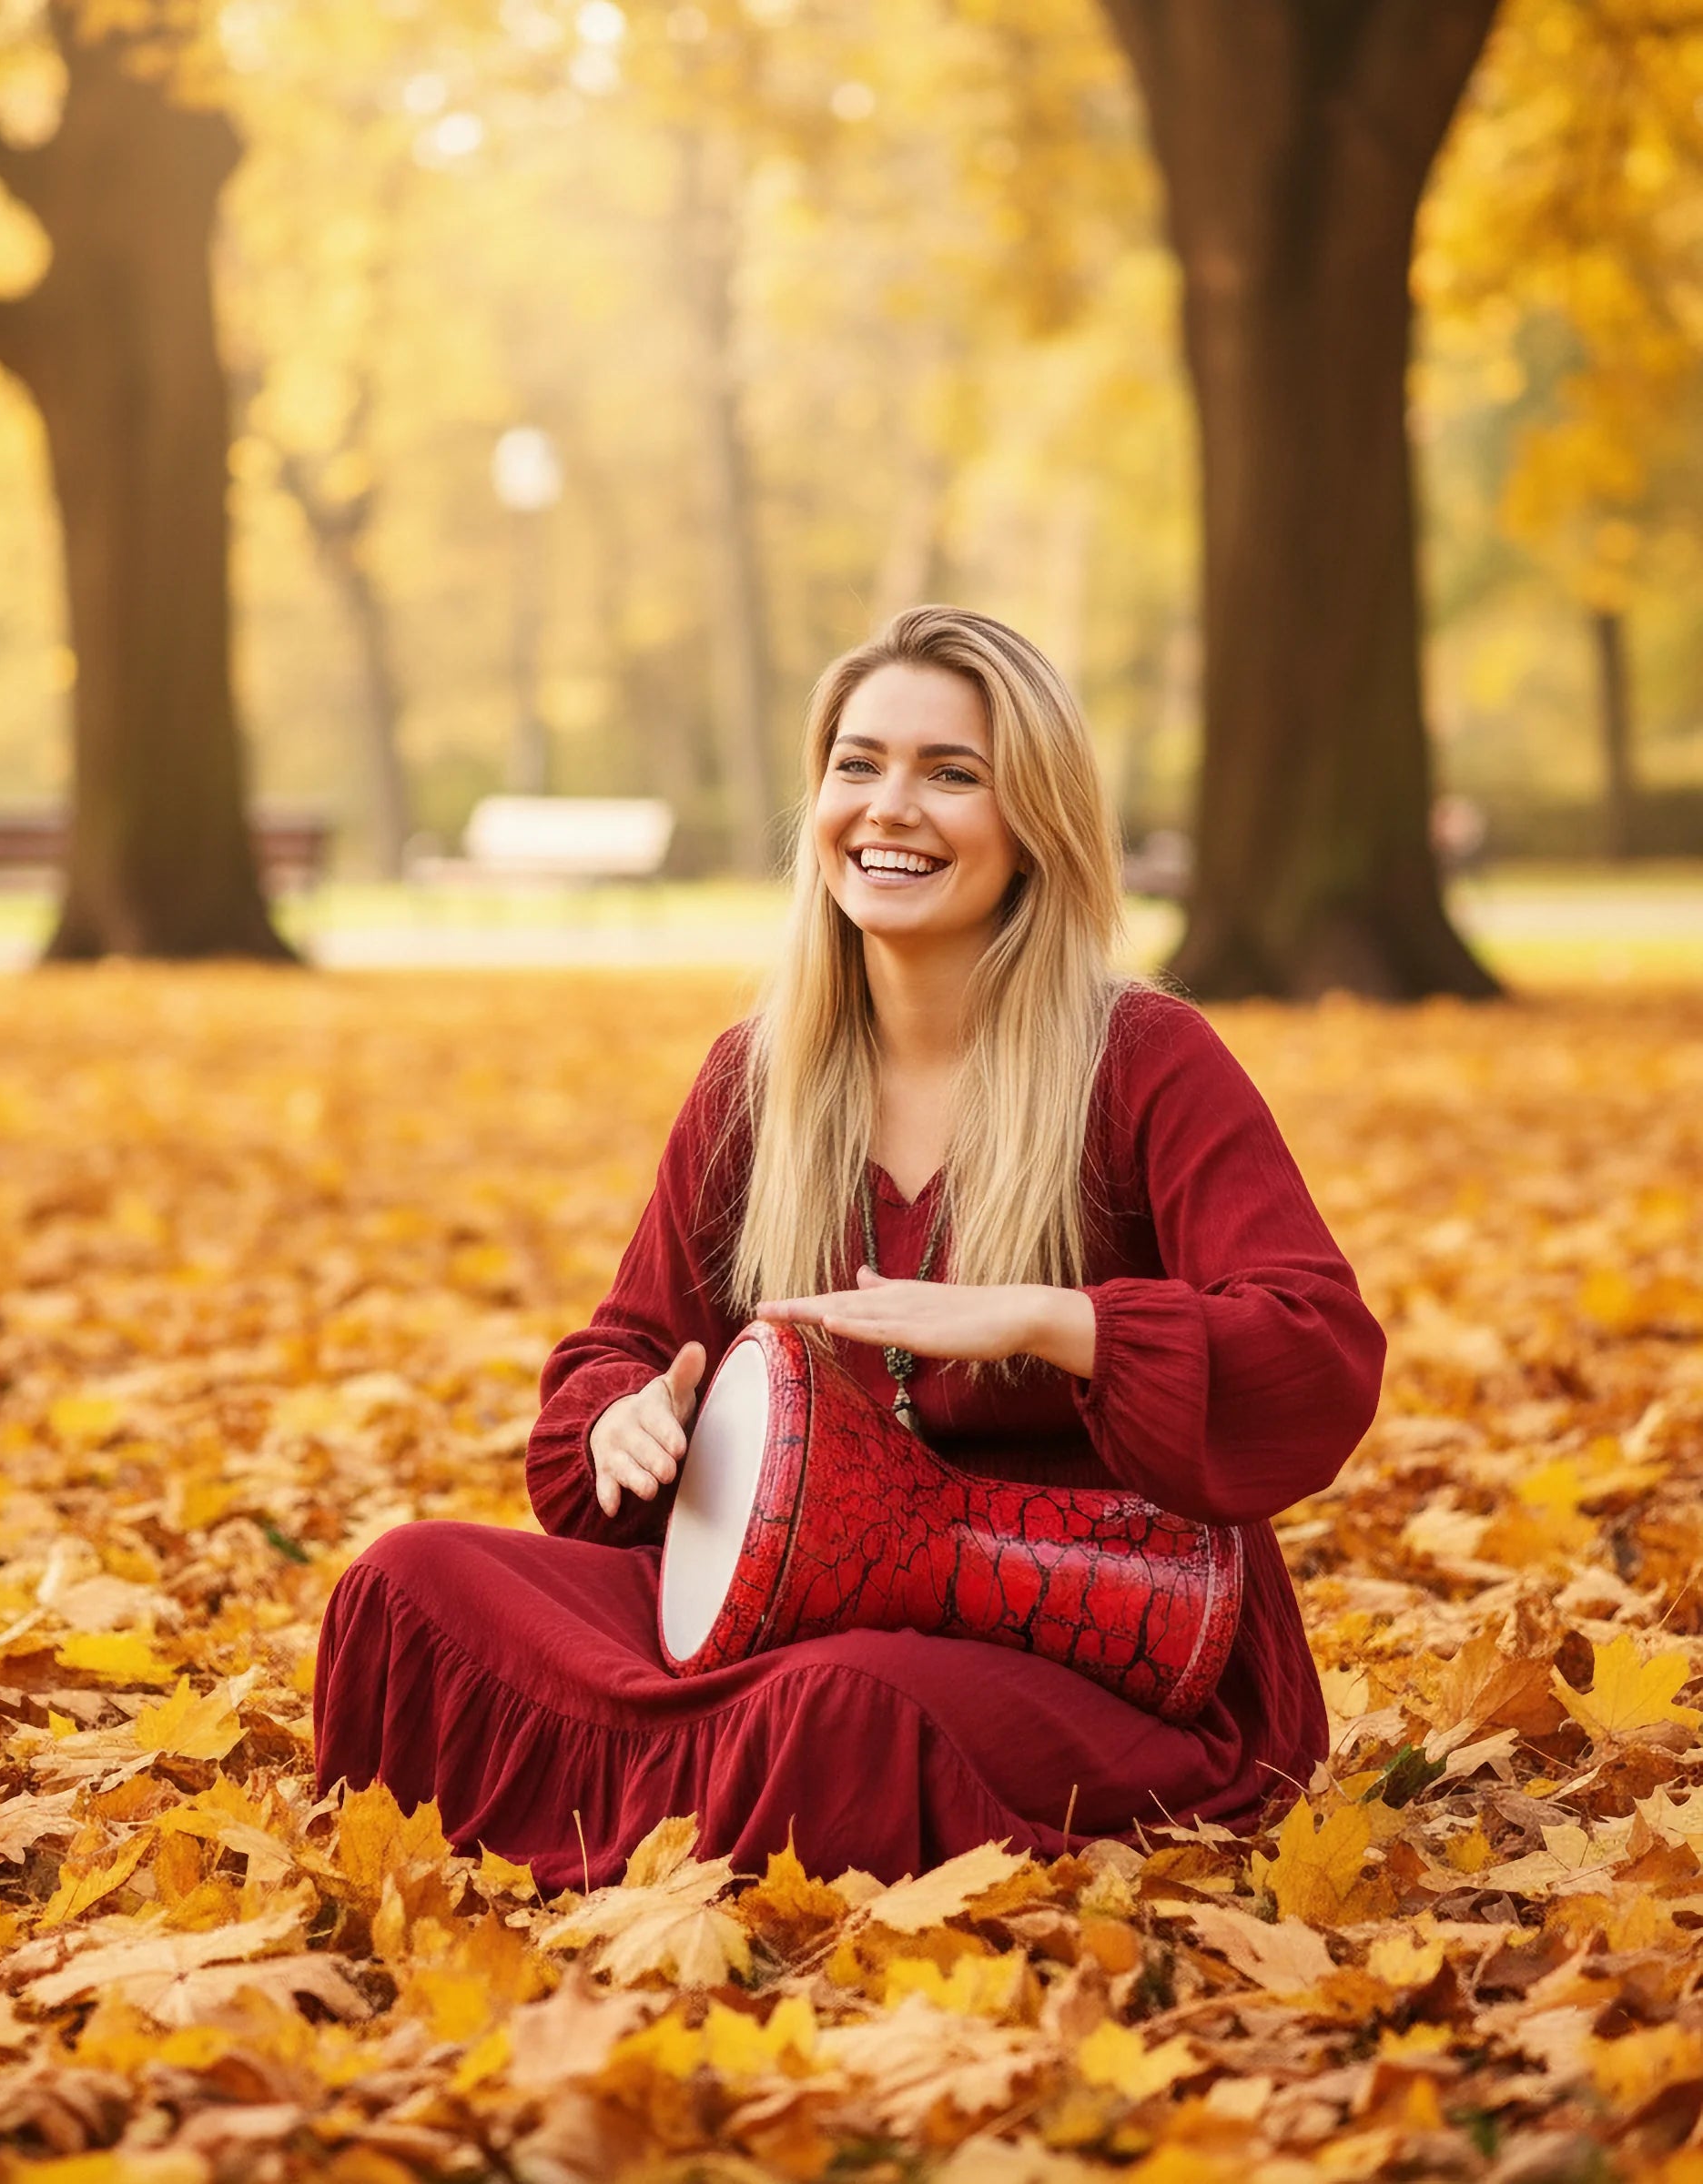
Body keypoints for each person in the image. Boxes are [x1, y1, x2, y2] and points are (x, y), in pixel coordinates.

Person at [314, 606, 1384, 1887]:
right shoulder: (757, 1082)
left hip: (1101, 1654)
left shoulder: (1145, 1060)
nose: (891, 808)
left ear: (1034, 820)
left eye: (952, 774)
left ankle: (703, 1799)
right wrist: (615, 1420)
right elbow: (632, 1344)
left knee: (839, 1711)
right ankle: (709, 1799)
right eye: (858, 765)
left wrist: (1057, 1322)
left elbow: (1315, 1348)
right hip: (791, 1611)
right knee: (407, 1583)